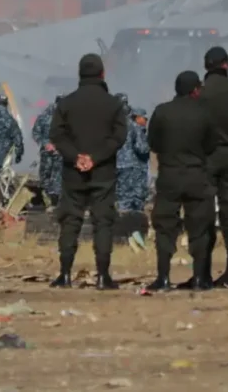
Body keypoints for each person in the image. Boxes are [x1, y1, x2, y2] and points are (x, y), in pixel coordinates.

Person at [48, 54, 128, 290]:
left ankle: (64, 275)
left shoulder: (66, 103)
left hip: (73, 172)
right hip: (102, 172)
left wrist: (76, 157)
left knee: (70, 221)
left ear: (80, 74)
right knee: (103, 222)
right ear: (102, 74)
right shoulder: (113, 104)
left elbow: (57, 135)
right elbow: (119, 137)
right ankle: (103, 276)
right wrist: (95, 157)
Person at [145, 71, 216, 290]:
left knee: (165, 226)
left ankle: (163, 277)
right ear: (195, 90)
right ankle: (199, 278)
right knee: (199, 227)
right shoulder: (205, 113)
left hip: (169, 175)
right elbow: (211, 145)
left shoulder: (162, 112)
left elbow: (153, 143)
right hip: (197, 175)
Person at [198, 46, 228, 288]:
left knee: (204, 215)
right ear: (225, 65)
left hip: (205, 156)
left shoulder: (200, 92)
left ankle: (202, 273)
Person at [115, 93, 151, 214]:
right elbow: (142, 148)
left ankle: (121, 219)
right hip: (131, 167)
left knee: (120, 198)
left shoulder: (108, 124)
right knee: (133, 200)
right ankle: (132, 222)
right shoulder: (133, 126)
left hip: (114, 166)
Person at [31, 96, 63, 206]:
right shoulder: (45, 116)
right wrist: (45, 144)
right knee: (46, 175)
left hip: (60, 153)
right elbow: (36, 133)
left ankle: (54, 200)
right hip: (47, 153)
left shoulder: (68, 117)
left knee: (57, 176)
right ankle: (47, 198)